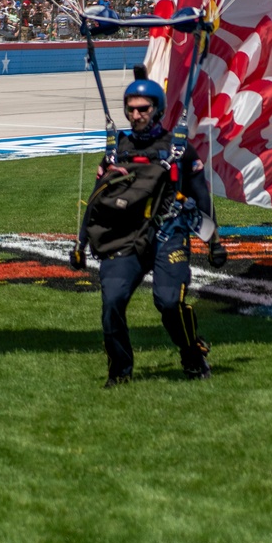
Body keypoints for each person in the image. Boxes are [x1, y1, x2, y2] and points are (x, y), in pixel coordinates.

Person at [72, 70, 226, 387]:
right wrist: (80, 243)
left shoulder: (179, 149)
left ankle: (192, 355)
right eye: (131, 108)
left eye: (143, 108)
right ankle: (120, 371)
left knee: (169, 302)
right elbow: (98, 198)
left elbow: (201, 196)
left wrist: (214, 242)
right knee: (112, 301)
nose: (135, 115)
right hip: (126, 237)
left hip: (168, 234)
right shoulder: (117, 150)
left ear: (156, 108)